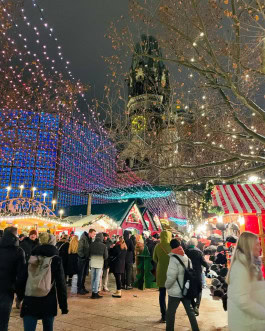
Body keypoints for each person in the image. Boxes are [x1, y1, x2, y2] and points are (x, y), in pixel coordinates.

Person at [21, 232, 68, 331]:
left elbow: (22, 278)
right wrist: (63, 306)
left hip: (30, 299)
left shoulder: (31, 257)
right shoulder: (56, 260)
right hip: (48, 300)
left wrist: (20, 296)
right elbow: (61, 284)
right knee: (48, 328)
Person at [227, 231, 265, 331]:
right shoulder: (241, 267)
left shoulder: (250, 265)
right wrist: (263, 313)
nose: (260, 247)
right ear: (249, 245)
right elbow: (242, 299)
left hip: (252, 322)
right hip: (247, 324)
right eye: (257, 244)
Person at [165, 239, 199, 331]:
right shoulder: (186, 258)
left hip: (175, 292)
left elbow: (171, 275)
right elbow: (190, 272)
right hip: (186, 289)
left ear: (171, 247)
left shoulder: (173, 258)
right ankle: (196, 329)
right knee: (190, 312)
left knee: (170, 313)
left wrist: (167, 286)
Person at [0, 227, 26, 331]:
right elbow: (21, 276)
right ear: (15, 236)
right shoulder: (18, 251)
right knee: (3, 323)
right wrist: (20, 295)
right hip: (7, 290)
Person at [185, 237, 209, 315]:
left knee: (190, 289)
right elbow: (204, 262)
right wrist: (208, 267)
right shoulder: (199, 252)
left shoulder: (186, 252)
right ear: (195, 244)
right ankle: (197, 306)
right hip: (198, 273)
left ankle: (193, 305)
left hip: (189, 274)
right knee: (199, 289)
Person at [153, 230, 172, 323]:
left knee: (162, 294)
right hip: (172, 272)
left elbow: (154, 258)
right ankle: (171, 315)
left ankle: (164, 316)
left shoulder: (157, 246)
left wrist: (161, 262)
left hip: (161, 272)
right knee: (172, 295)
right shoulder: (173, 246)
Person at [89, 232, 108, 299]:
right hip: (99, 264)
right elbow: (106, 256)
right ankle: (95, 293)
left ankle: (92, 292)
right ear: (101, 238)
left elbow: (88, 254)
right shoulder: (103, 246)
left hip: (92, 263)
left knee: (93, 278)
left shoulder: (91, 244)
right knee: (97, 278)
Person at [77, 228, 96, 295]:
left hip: (86, 259)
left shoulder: (89, 239)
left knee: (84, 274)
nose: (94, 235)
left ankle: (82, 287)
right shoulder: (83, 238)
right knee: (81, 274)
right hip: (82, 259)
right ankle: (79, 289)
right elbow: (79, 249)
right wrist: (82, 257)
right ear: (90, 233)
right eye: (93, 234)